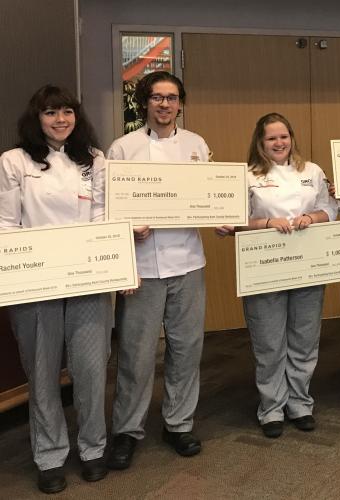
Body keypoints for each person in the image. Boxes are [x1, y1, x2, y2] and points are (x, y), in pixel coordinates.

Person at [0, 85, 109, 493]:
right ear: (37, 118)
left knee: (90, 370)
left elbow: (102, 217)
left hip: (87, 277)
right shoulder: (14, 161)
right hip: (36, 280)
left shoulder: (95, 160)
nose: (60, 120)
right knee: (43, 373)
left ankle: (93, 448)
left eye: (67, 111)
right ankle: (49, 457)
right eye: (51, 113)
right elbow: (6, 223)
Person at [106, 72, 210, 470]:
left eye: (171, 98)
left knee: (187, 349)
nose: (164, 105)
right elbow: (108, 209)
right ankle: (127, 431)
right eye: (156, 98)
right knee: (135, 353)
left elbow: (209, 196)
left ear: (181, 103)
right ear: (144, 103)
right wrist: (127, 231)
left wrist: (220, 216)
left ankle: (179, 424)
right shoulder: (122, 148)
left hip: (188, 263)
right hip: (142, 267)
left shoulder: (196, 145)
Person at [221, 112, 337, 438]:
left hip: (307, 265)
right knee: (269, 342)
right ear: (260, 142)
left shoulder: (311, 171)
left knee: (303, 339)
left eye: (283, 136)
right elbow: (235, 220)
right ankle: (271, 407)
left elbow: (331, 208)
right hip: (265, 268)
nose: (279, 143)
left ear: (292, 138)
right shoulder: (247, 176)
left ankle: (300, 403)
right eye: (271, 138)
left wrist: (312, 217)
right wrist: (266, 223)